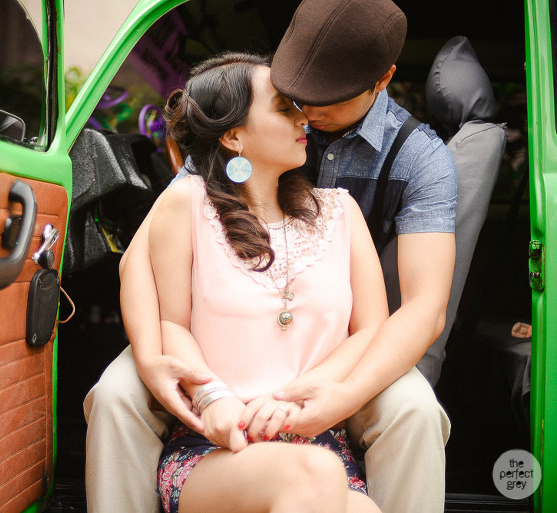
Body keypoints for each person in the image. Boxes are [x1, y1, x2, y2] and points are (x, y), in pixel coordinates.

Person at [83, 0, 456, 512]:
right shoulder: (217, 163)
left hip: (331, 355)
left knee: (413, 408)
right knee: (116, 393)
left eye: (325, 94)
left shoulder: (417, 162)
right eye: (293, 94)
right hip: (213, 361)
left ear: (383, 80)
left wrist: (330, 397)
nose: (306, 109)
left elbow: (420, 310)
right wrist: (159, 361)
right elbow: (141, 265)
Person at [150, 51, 386, 513]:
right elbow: (169, 323)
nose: (304, 118)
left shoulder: (340, 211)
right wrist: (212, 398)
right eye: (283, 107)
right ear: (234, 135)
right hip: (215, 449)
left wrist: (295, 399)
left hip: (319, 444)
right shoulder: (186, 203)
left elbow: (373, 328)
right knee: (313, 475)